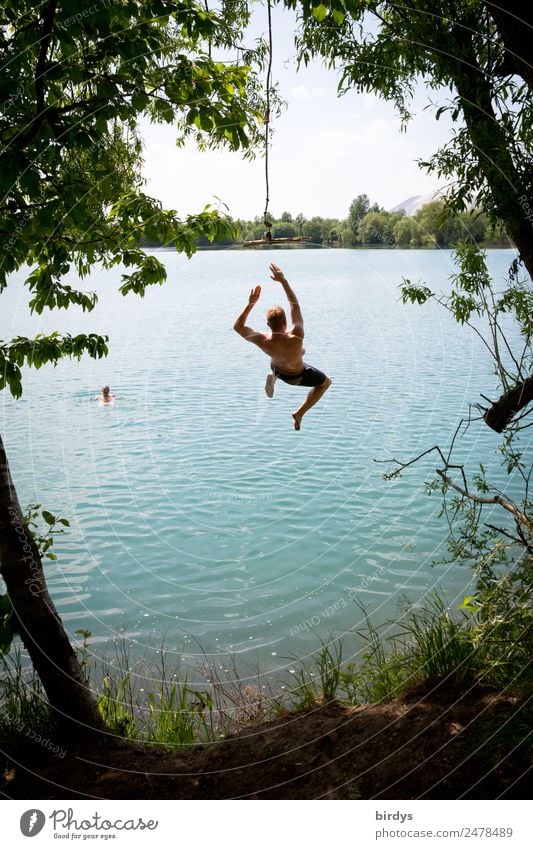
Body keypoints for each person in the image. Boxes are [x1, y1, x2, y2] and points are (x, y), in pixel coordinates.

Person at [233, 263, 331, 430]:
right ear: (286, 323)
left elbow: (238, 327)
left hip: (279, 369)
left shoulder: (263, 339)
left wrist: (251, 303)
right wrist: (283, 281)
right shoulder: (297, 334)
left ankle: (274, 376)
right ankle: (299, 413)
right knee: (325, 383)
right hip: (298, 375)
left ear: (268, 324)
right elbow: (294, 305)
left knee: (299, 352)